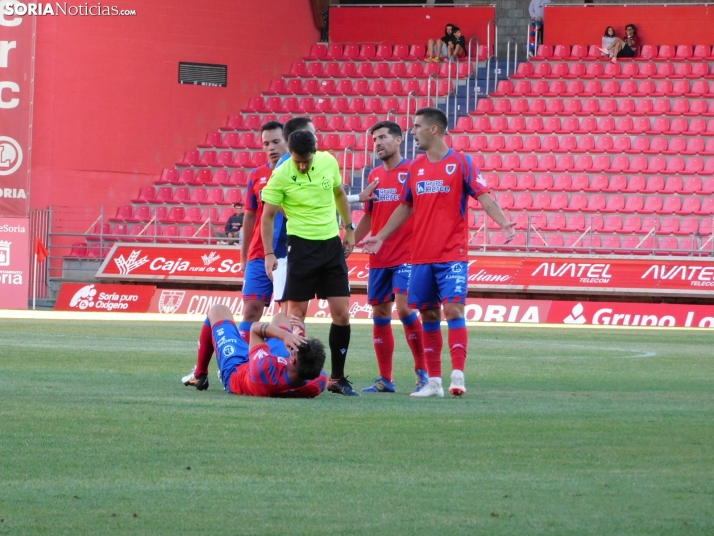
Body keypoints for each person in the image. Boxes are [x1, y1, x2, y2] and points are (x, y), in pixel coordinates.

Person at [363, 108, 516, 398]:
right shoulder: (416, 168)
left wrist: (504, 223)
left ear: (433, 130)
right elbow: (405, 207)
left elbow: (484, 196)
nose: (413, 132)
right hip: (420, 257)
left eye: (417, 126)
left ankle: (457, 375)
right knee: (429, 314)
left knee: (453, 309)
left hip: (452, 254)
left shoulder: (461, 163)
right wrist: (380, 237)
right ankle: (433, 382)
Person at [260, 129, 359, 396]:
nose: (302, 166)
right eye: (297, 161)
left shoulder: (328, 161)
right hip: (301, 247)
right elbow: (267, 216)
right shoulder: (281, 174)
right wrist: (269, 253)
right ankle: (295, 374)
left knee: (342, 314)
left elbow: (339, 194)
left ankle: (337, 378)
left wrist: (349, 229)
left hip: (330, 245)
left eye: (306, 160)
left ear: (314, 152)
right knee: (296, 316)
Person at [354, 121, 428, 394]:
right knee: (380, 313)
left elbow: (414, 210)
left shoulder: (412, 171)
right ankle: (386, 379)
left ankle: (423, 371)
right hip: (379, 256)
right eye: (375, 140)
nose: (378, 143)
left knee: (405, 307)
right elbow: (369, 216)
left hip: (408, 253)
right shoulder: (374, 174)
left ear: (399, 140)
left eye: (383, 137)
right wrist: (348, 240)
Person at [182, 305, 327, 398]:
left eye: (293, 351)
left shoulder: (264, 369)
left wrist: (285, 336)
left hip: (237, 369)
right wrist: (299, 333)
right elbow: (318, 370)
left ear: (293, 360)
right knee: (281, 318)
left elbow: (256, 329)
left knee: (217, 310)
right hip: (271, 363)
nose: (292, 350)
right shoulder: (316, 382)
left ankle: (200, 375)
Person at [239, 121, 289, 341]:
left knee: (288, 314)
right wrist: (243, 257)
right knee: (251, 310)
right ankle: (242, 364)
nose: (271, 147)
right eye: (266, 143)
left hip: (290, 254)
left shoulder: (298, 172)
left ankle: (285, 366)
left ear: (287, 142)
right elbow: (249, 217)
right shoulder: (255, 175)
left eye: (276, 142)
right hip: (259, 253)